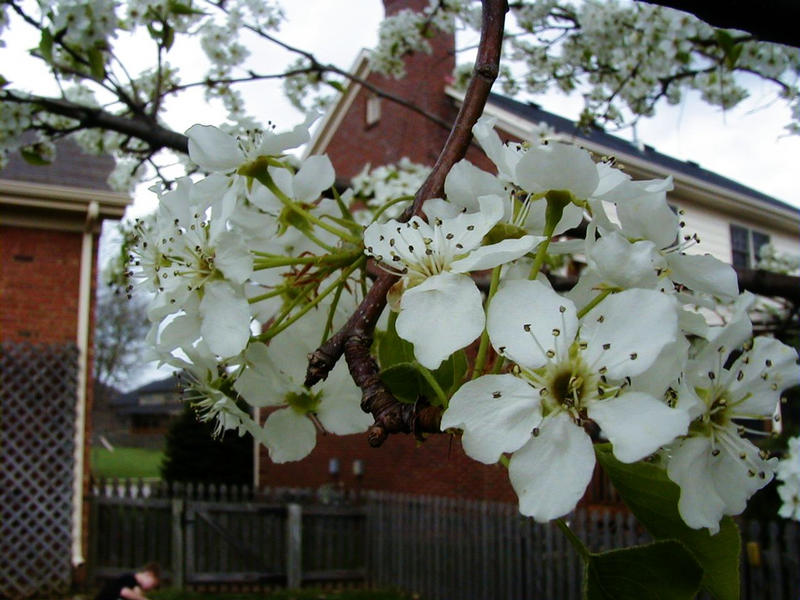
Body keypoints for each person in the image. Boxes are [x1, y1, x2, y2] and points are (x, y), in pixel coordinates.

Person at [94, 562, 160, 600]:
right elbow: (124, 592)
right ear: (150, 574)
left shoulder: (136, 586)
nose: (150, 589)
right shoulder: (129, 578)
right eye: (152, 584)